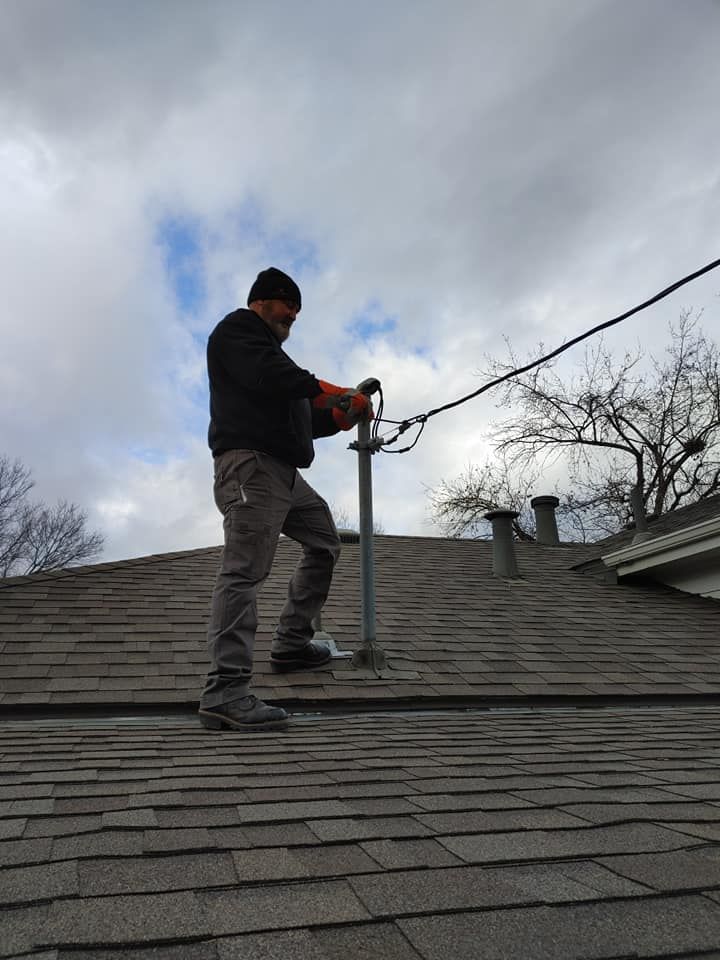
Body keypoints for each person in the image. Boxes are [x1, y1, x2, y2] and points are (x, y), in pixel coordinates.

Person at [198, 267, 372, 732]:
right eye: (287, 304)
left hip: (283, 472)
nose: (293, 314)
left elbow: (302, 421)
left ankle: (292, 645)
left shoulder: (276, 366)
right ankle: (226, 691)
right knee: (244, 570)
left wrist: (338, 416)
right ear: (261, 302)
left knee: (324, 541)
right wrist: (334, 391)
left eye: (297, 309)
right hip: (249, 466)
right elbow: (276, 377)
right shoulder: (238, 334)